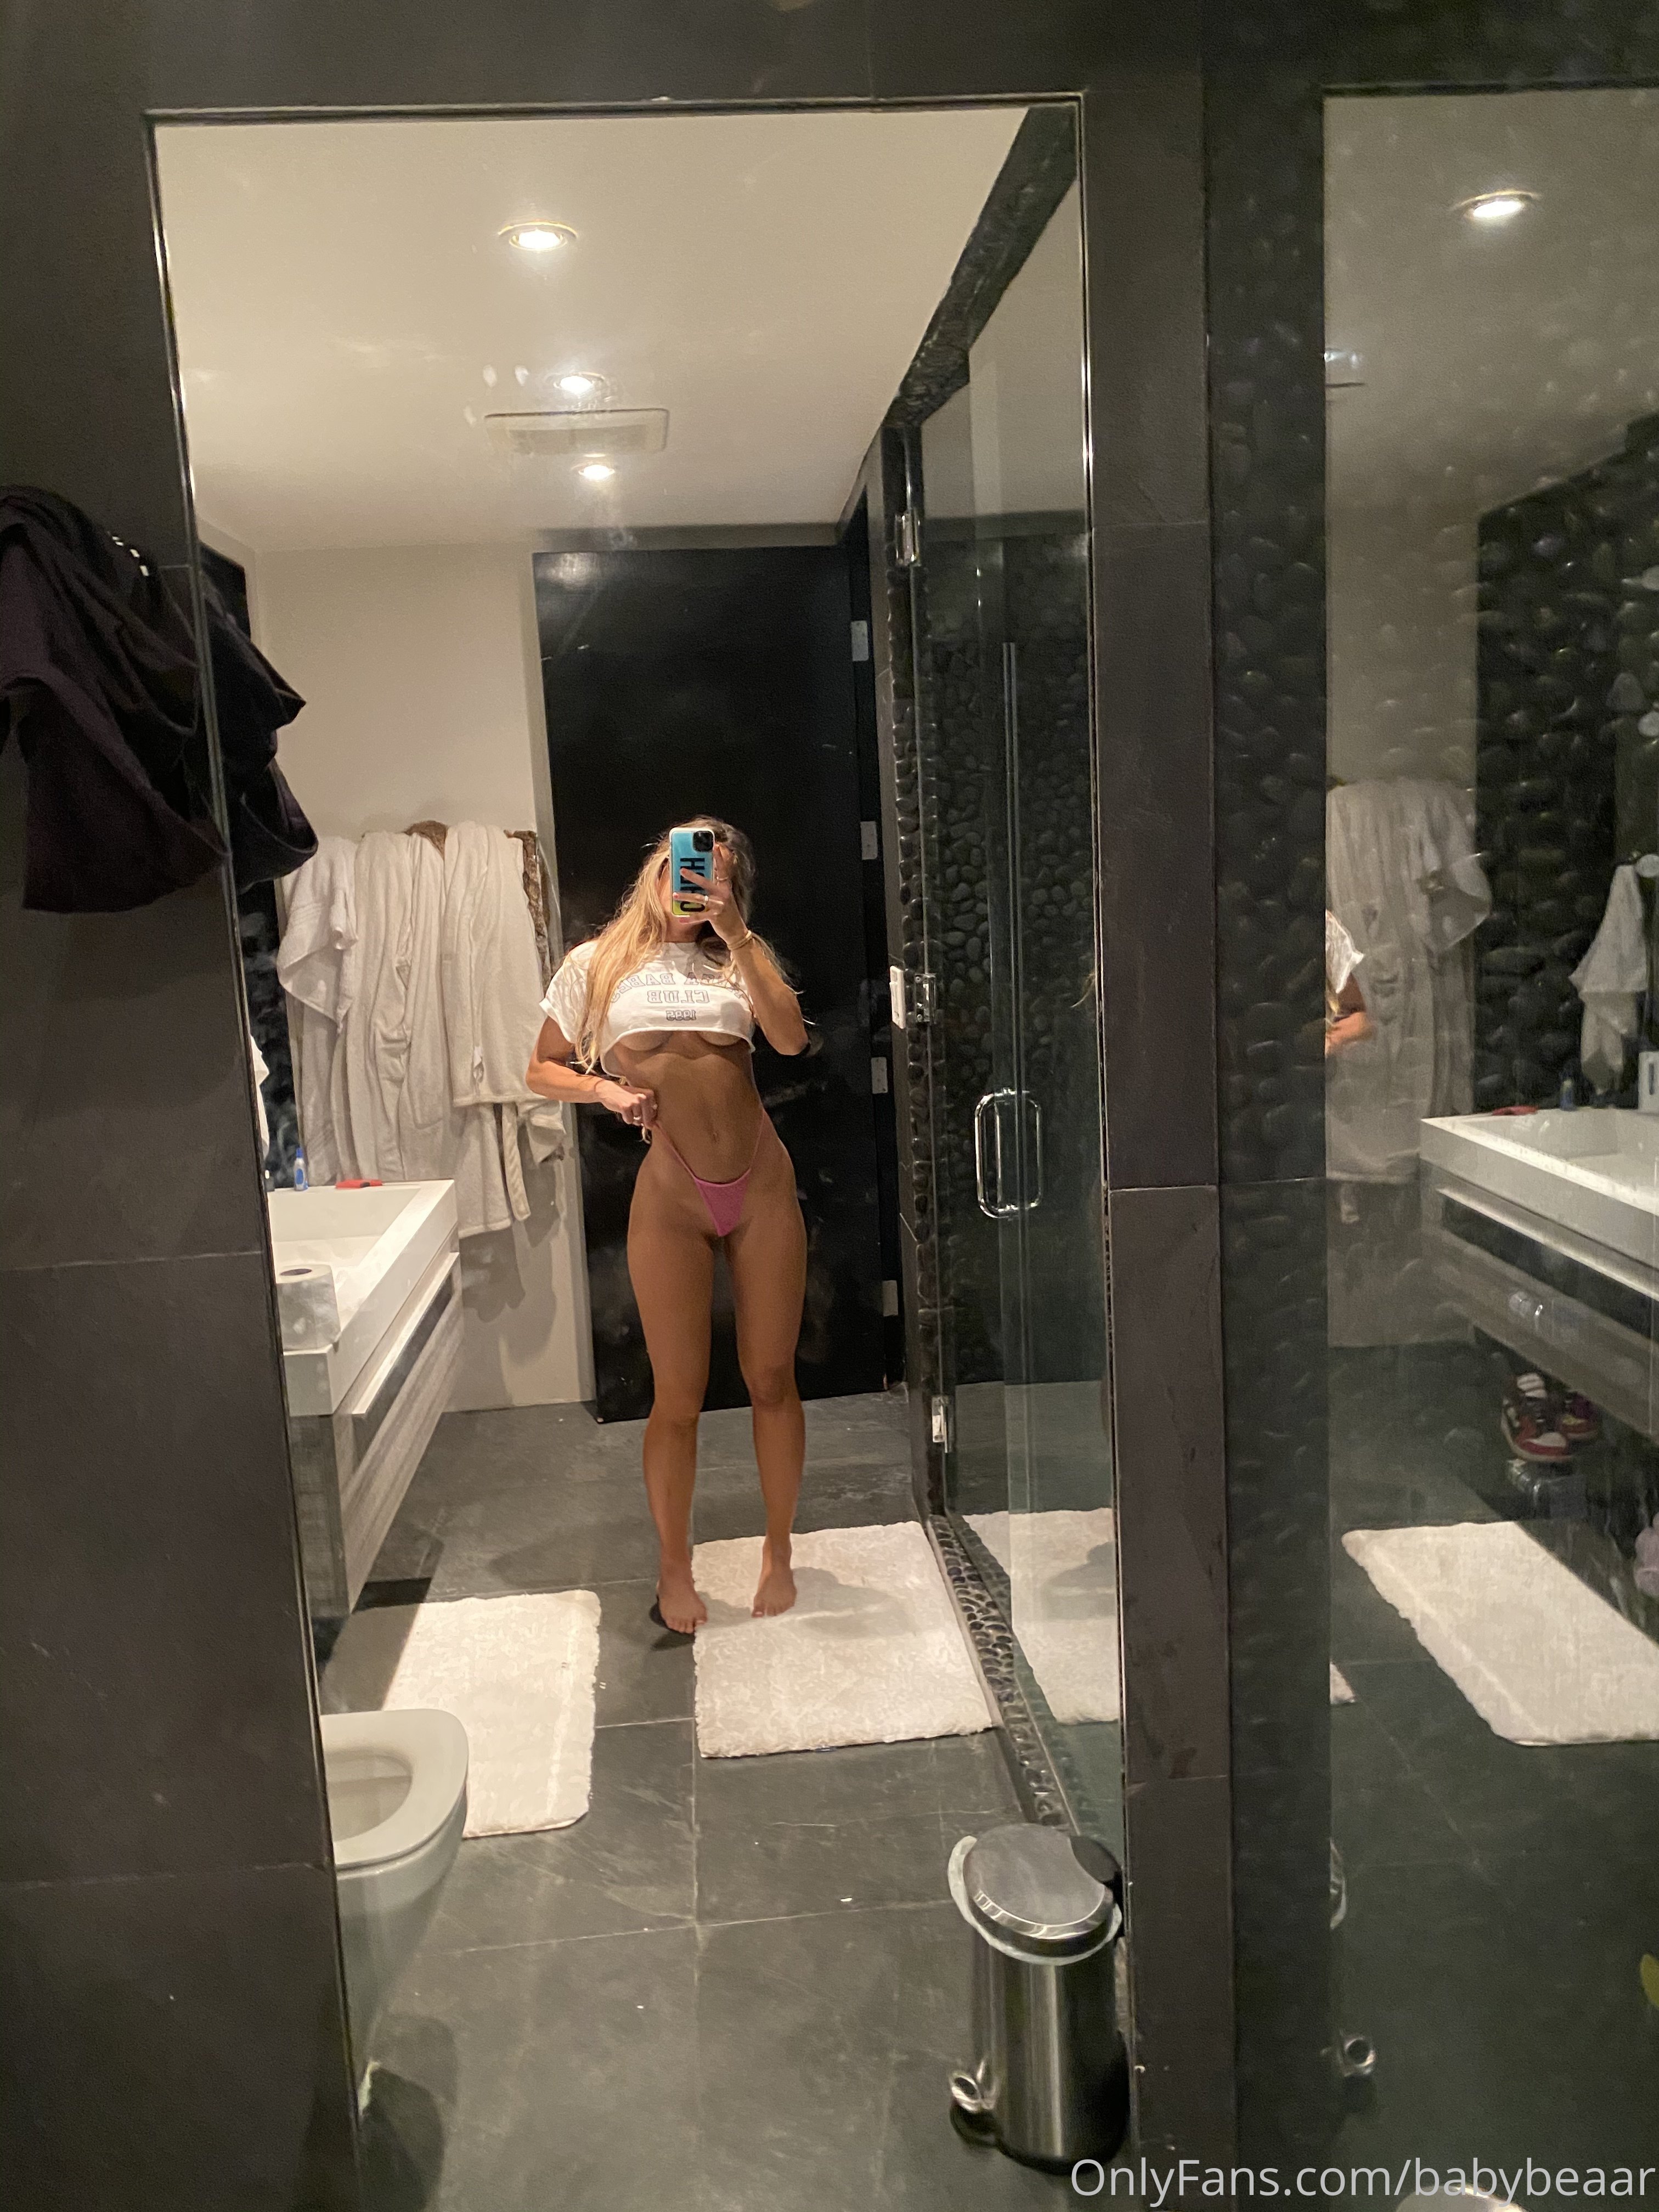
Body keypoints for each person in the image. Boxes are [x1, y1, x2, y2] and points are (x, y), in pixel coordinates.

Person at [526, 818, 810, 1633]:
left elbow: (790, 1041)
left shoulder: (738, 958)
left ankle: (779, 1549)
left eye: (712, 872)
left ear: (730, 888)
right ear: (656, 871)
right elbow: (540, 1067)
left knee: (771, 1377)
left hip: (762, 1183)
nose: (691, 883)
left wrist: (737, 932)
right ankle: (673, 1567)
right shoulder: (597, 964)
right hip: (672, 1196)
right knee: (677, 1394)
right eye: (681, 866)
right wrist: (605, 1091)